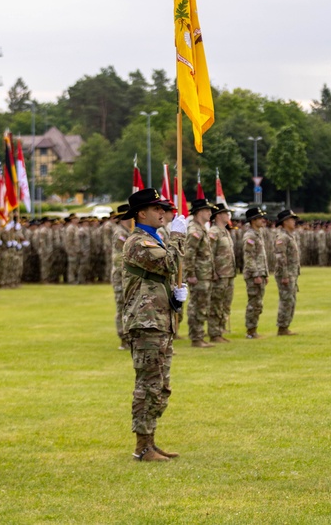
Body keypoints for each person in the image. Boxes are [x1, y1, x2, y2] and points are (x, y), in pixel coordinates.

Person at [121, 188, 188, 461]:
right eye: (157, 208)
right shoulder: (139, 242)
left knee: (160, 385)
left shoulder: (155, 239)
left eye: (163, 208)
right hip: (147, 323)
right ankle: (142, 446)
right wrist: (179, 237)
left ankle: (150, 441)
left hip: (159, 320)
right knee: (148, 384)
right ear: (141, 213)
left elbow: (161, 275)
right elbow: (170, 263)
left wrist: (174, 297)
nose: (163, 213)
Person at [184, 198, 215, 348]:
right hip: (198, 275)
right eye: (207, 210)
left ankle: (199, 336)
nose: (210, 213)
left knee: (203, 305)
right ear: (199, 212)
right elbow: (189, 254)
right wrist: (190, 274)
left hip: (204, 274)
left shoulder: (202, 229)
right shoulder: (194, 230)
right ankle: (196, 337)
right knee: (197, 305)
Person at [208, 203, 236, 343]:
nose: (228, 215)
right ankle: (214, 332)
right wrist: (212, 272)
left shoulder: (225, 231)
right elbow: (209, 254)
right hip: (219, 274)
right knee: (216, 304)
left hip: (228, 273)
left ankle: (220, 329)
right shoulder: (213, 232)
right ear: (218, 215)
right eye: (226, 213)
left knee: (225, 304)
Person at [241, 206, 270, 339]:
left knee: (258, 303)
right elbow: (249, 257)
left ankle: (253, 329)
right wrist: (256, 274)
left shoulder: (258, 233)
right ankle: (250, 331)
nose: (262, 220)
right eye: (259, 218)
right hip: (254, 275)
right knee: (254, 303)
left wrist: (265, 273)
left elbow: (261, 256)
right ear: (253, 220)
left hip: (260, 273)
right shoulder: (250, 236)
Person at [274, 208, 301, 336]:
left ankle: (286, 326)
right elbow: (280, 257)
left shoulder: (290, 236)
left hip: (292, 273)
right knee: (286, 300)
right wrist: (284, 275)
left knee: (291, 300)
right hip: (286, 274)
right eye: (291, 220)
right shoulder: (282, 237)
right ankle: (282, 327)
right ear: (285, 222)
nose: (294, 222)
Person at [110, 204, 132, 350]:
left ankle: (129, 337)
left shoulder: (127, 232)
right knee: (122, 307)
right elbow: (121, 257)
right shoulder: (120, 234)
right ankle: (124, 339)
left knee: (128, 307)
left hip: (126, 275)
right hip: (120, 275)